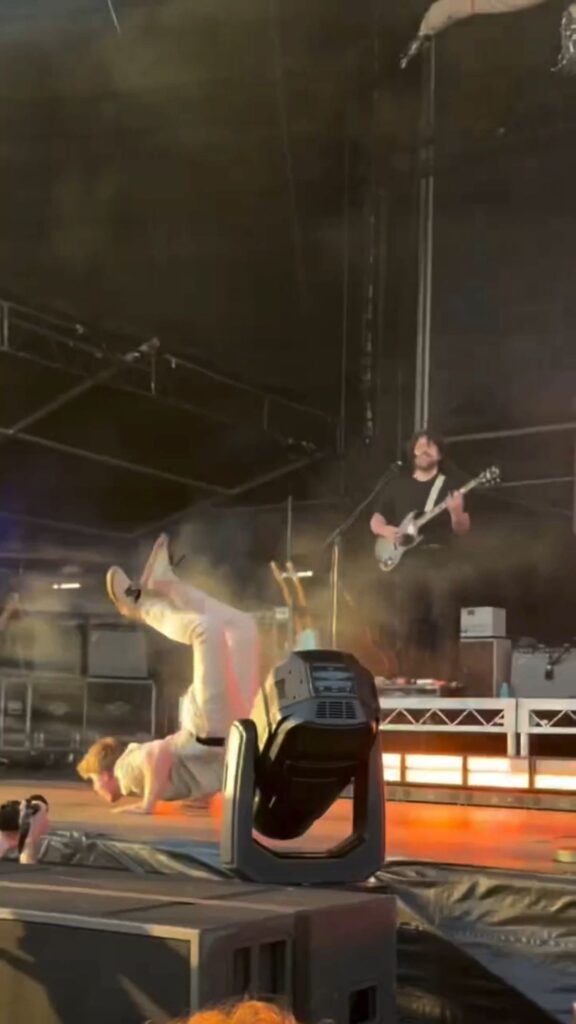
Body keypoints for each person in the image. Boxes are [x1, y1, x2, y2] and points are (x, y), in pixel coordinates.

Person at [77, 534, 260, 814]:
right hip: (225, 731)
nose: (96, 789)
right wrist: (198, 797)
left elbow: (157, 755)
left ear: (105, 774)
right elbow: (182, 770)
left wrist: (147, 806)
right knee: (244, 628)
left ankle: (139, 605)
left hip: (213, 730)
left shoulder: (125, 772)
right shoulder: (136, 776)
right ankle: (166, 584)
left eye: (92, 782)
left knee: (204, 631)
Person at [370, 430, 470, 682]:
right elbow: (376, 519)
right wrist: (386, 531)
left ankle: (447, 679)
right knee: (406, 619)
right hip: (408, 563)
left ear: (440, 454)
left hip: (441, 560)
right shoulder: (397, 484)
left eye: (431, 446)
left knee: (443, 619)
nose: (425, 449)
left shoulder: (450, 485)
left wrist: (456, 512)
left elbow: (462, 528)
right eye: (420, 445)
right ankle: (405, 676)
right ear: (412, 449)